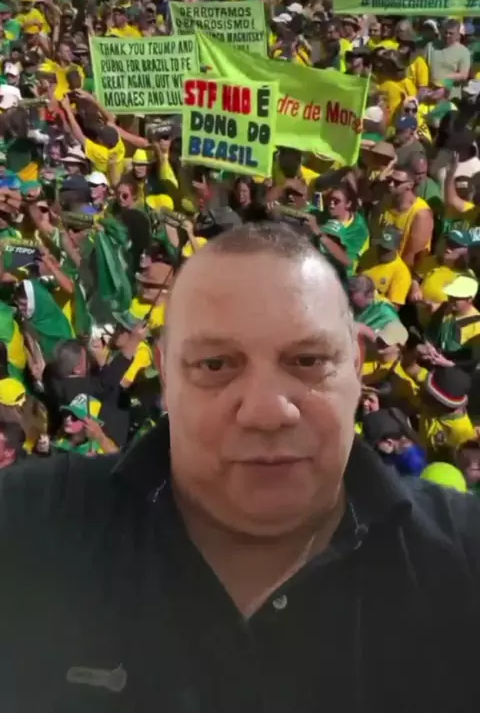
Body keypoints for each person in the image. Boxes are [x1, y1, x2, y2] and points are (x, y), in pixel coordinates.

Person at [1, 223, 479, 713]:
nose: (266, 411)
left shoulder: (464, 561)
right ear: (165, 373)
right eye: (215, 365)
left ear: (357, 366)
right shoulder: (34, 526)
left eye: (307, 360)